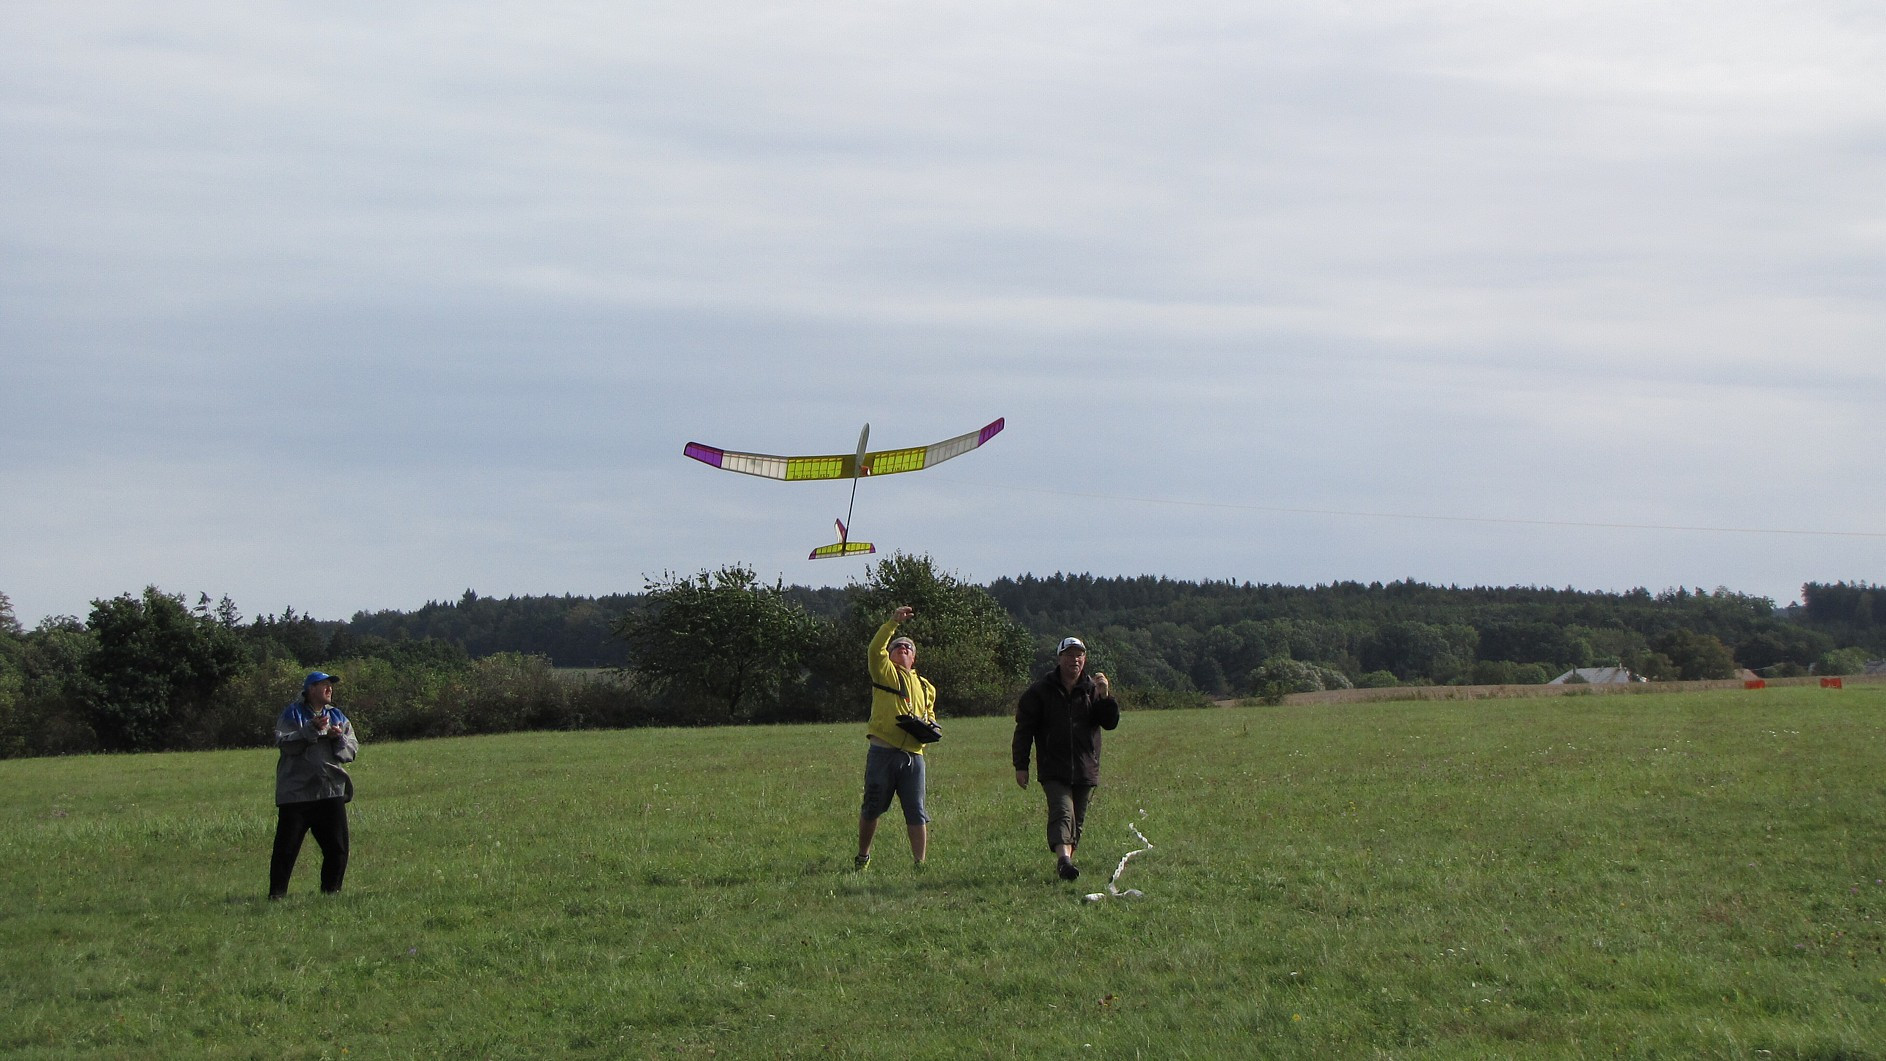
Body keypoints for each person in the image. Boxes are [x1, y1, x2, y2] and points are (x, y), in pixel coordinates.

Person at [1012, 636, 1120, 881]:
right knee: (1062, 812)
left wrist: (1105, 697)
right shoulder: (1040, 691)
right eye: (1070, 655)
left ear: (1085, 659)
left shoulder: (1092, 689)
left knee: (1076, 820)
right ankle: (1064, 860)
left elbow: (1109, 723)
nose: (1075, 660)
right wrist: (1021, 765)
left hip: (1085, 766)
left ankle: (1066, 865)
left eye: (1079, 655)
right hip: (1053, 766)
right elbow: (1024, 730)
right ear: (1059, 658)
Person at [855, 605, 939, 870]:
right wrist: (893, 623)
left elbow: (930, 713)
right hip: (883, 751)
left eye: (908, 647)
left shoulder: (926, 686)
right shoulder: (884, 671)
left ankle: (919, 864)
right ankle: (863, 856)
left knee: (917, 811)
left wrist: (931, 725)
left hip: (914, 756)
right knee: (872, 807)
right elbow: (874, 649)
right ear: (889, 655)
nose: (903, 648)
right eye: (897, 646)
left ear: (914, 658)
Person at [269, 671, 359, 898]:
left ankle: (331, 893)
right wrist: (310, 730)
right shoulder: (292, 713)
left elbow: (351, 750)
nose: (329, 689)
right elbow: (285, 744)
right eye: (324, 685)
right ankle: (277, 896)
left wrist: (338, 738)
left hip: (330, 790)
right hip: (297, 793)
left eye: (331, 685)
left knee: (338, 849)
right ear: (310, 689)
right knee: (286, 850)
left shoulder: (337, 715)